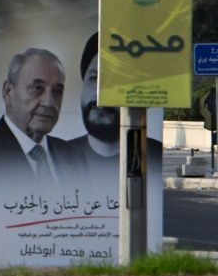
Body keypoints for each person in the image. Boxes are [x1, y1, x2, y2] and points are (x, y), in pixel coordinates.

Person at [53, 32, 163, 185]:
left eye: (115, 83)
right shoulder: (57, 158)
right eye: (94, 78)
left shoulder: (156, 155)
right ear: (83, 85)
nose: (101, 95)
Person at [0, 47, 68, 184]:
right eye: (37, 88)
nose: (49, 102)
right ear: (8, 92)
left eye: (57, 91)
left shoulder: (73, 156)